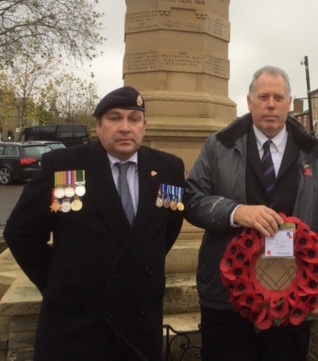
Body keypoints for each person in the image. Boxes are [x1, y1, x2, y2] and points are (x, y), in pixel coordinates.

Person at [4, 86, 185, 361]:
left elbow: (166, 230)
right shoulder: (63, 166)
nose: (125, 127)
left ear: (144, 126)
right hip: (77, 326)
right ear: (98, 125)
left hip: (139, 324)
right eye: (115, 118)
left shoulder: (169, 168)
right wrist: (57, 284)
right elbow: (21, 234)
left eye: (134, 119)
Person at [184, 65, 318, 361]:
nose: (271, 104)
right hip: (227, 298)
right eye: (264, 96)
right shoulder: (218, 146)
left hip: (293, 301)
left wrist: (315, 278)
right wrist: (235, 212)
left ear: (290, 103)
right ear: (249, 101)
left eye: (279, 98)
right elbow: (192, 199)